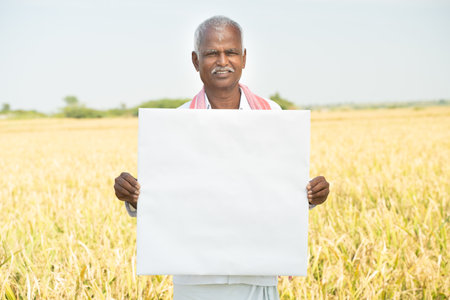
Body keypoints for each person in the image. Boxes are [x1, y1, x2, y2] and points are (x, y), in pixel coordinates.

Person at [114, 15, 330, 300]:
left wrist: (312, 196)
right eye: (211, 53)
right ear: (195, 60)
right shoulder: (175, 124)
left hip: (257, 274)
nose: (222, 61)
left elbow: (280, 194)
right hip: (196, 278)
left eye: (230, 52)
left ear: (244, 57)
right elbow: (165, 198)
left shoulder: (272, 117)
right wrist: (133, 196)